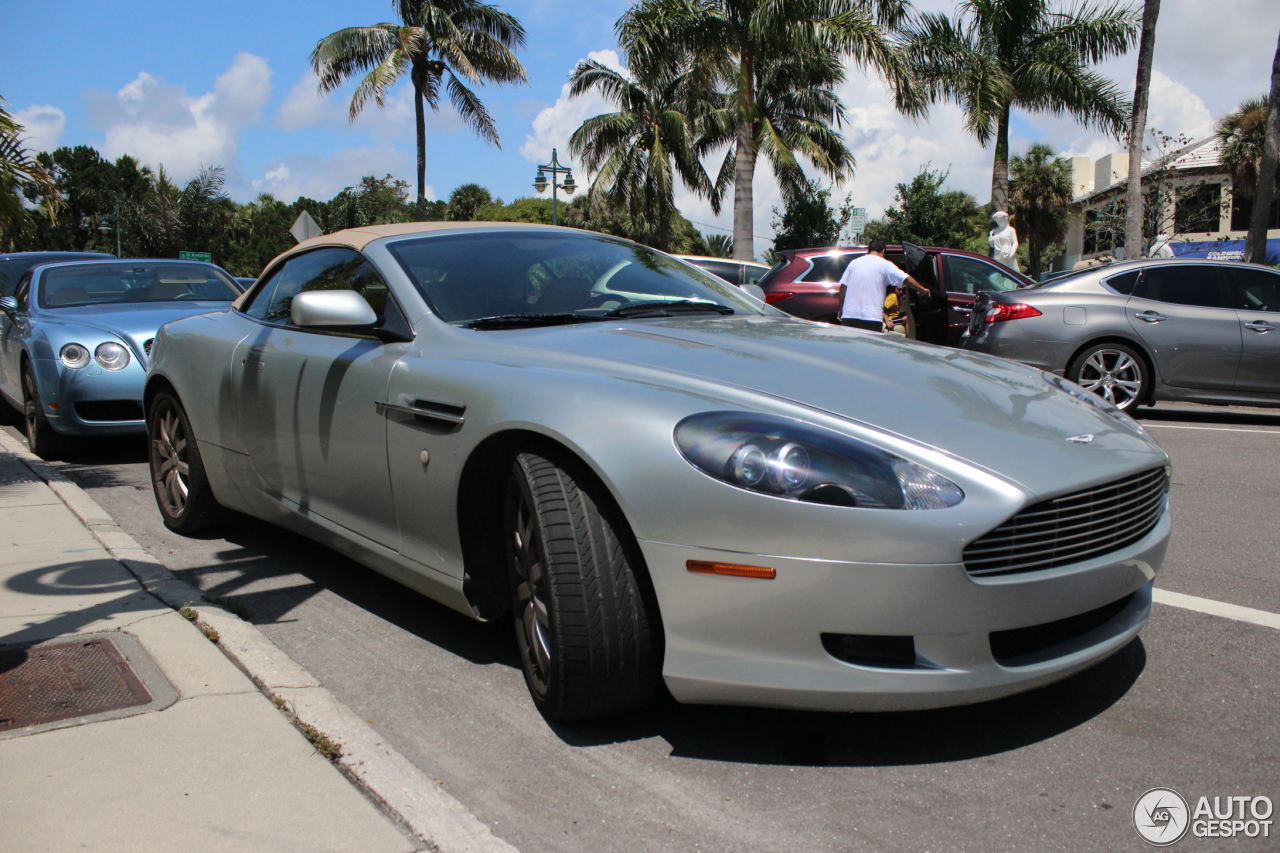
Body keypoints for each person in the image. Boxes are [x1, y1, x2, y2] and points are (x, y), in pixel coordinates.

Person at [836, 239, 931, 332]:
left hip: (849, 316)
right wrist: (922, 289)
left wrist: (841, 308)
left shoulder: (854, 263)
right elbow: (906, 279)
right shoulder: (885, 264)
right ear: (883, 250)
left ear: (869, 250)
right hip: (871, 317)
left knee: (852, 347)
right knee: (870, 347)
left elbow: (843, 288)